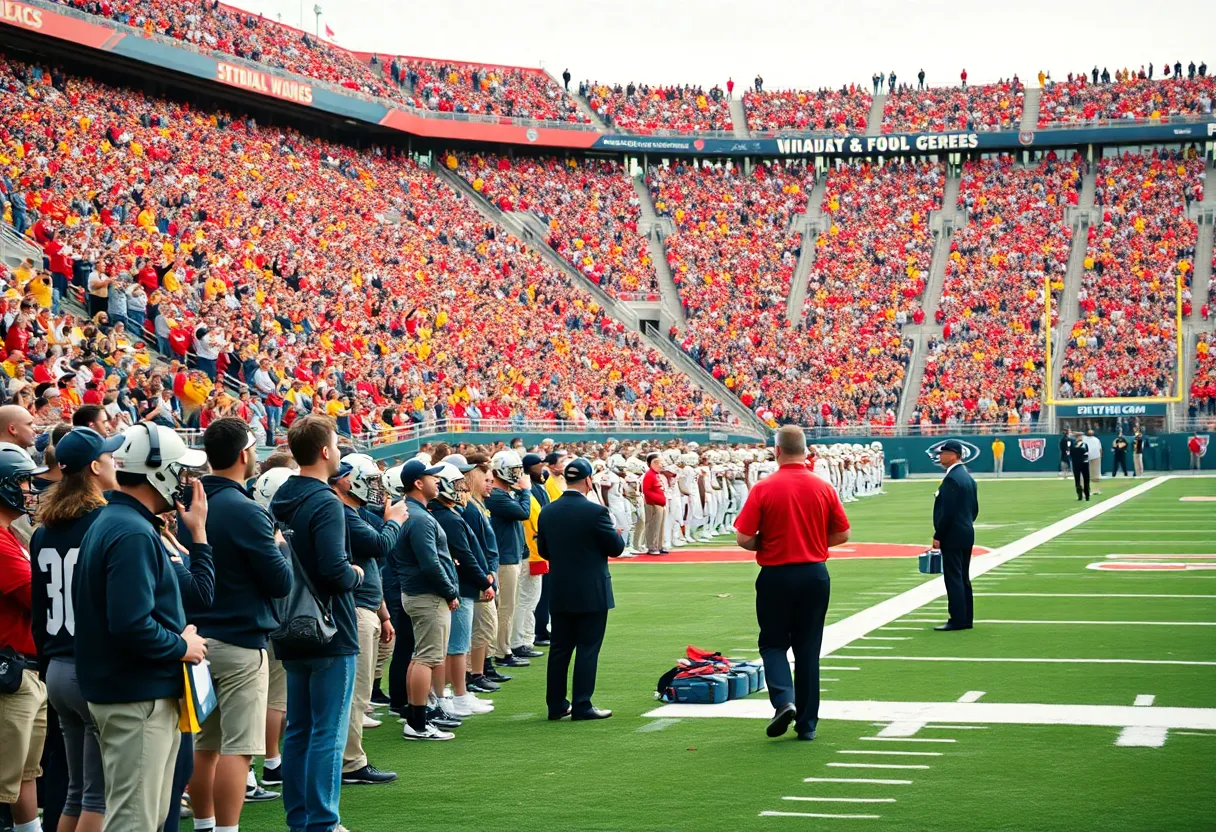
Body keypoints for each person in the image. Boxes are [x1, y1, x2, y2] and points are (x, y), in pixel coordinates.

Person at [74, 424, 212, 832]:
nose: (185, 481)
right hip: (137, 694)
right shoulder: (130, 530)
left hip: (136, 690)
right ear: (159, 470)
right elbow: (131, 624)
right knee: (134, 821)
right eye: (180, 471)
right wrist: (180, 646)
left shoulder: (122, 522)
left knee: (146, 817)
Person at [184, 417, 293, 832]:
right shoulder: (246, 510)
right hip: (240, 640)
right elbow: (280, 582)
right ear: (245, 454)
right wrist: (280, 547)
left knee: (205, 743)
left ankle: (205, 826)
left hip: (197, 638)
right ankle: (226, 829)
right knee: (238, 749)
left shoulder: (189, 502)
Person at [270, 415, 364, 832]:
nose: (340, 449)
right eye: (336, 443)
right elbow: (334, 569)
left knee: (300, 729)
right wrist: (357, 575)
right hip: (330, 627)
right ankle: (322, 821)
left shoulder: (281, 495)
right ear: (325, 451)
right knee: (327, 730)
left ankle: (300, 818)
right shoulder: (326, 500)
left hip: (291, 623)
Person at [30, 428, 123, 832]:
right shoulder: (106, 522)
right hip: (92, 668)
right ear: (95, 467)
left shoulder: (44, 529)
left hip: (56, 666)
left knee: (75, 793)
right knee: (98, 799)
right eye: (108, 456)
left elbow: (39, 610)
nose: (115, 462)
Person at [734, 426, 849, 742]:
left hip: (776, 575)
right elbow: (842, 534)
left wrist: (769, 544)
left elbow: (744, 537)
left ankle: (784, 700)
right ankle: (808, 724)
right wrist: (811, 542)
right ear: (806, 449)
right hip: (814, 573)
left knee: (772, 643)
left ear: (777, 451)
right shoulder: (823, 486)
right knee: (808, 650)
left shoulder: (764, 487)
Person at [334, 454, 404, 785]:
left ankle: (350, 759)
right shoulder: (343, 513)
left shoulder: (355, 511)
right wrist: (394, 521)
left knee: (358, 693)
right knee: (355, 693)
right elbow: (380, 545)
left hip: (367, 608)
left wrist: (383, 612)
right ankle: (350, 763)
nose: (377, 488)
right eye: (371, 480)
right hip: (355, 610)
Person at [537, 458, 624, 721]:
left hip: (561, 588)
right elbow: (616, 547)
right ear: (588, 480)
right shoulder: (595, 512)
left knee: (560, 648)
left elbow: (544, 550)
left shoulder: (548, 511)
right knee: (588, 648)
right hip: (591, 589)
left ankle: (556, 704)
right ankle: (582, 704)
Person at [0, 444, 51, 832]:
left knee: (25, 774)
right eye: (20, 480)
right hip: (11, 671)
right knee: (5, 780)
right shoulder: (1, 541)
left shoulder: (11, 535)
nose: (29, 488)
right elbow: (38, 597)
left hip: (26, 668)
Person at [390, 458, 460, 741]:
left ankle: (416, 715)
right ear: (418, 483)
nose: (437, 481)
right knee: (427, 658)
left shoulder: (412, 513)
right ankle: (418, 722)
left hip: (417, 593)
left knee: (420, 656)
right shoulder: (418, 517)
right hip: (427, 595)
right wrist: (449, 591)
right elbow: (429, 563)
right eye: (432, 477)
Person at [428, 461, 494, 718]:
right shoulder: (447, 516)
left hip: (462, 585)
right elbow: (464, 555)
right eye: (455, 485)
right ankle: (456, 695)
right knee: (456, 647)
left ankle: (456, 693)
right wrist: (483, 581)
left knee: (457, 645)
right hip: (461, 587)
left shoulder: (449, 513)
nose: (461, 490)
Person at [485, 450, 534, 668]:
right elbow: (524, 512)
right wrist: (525, 491)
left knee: (508, 607)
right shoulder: (497, 496)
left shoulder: (503, 494)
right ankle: (502, 651)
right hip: (504, 559)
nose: (518, 475)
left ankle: (501, 649)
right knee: (505, 607)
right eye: (514, 471)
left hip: (510, 555)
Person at [930, 439, 980, 632]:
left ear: (954, 455)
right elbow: (974, 509)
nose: (940, 456)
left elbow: (948, 512)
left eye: (944, 453)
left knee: (953, 577)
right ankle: (966, 617)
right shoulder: (967, 477)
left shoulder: (952, 478)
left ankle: (957, 618)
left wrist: (939, 534)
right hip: (966, 531)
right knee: (963, 577)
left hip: (953, 534)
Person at [641, 452, 666, 555]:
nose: (661, 465)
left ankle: (659, 545)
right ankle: (652, 546)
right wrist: (657, 500)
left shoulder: (657, 475)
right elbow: (646, 491)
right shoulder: (649, 475)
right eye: (659, 462)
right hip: (653, 504)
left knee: (660, 526)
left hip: (660, 503)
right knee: (653, 525)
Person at [1070, 431, 1091, 500]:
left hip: (1076, 464)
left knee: (1078, 480)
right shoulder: (1084, 445)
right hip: (1084, 464)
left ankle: (1080, 495)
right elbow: (1086, 455)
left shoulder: (1072, 445)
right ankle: (1086, 495)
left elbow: (1070, 454)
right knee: (1085, 479)